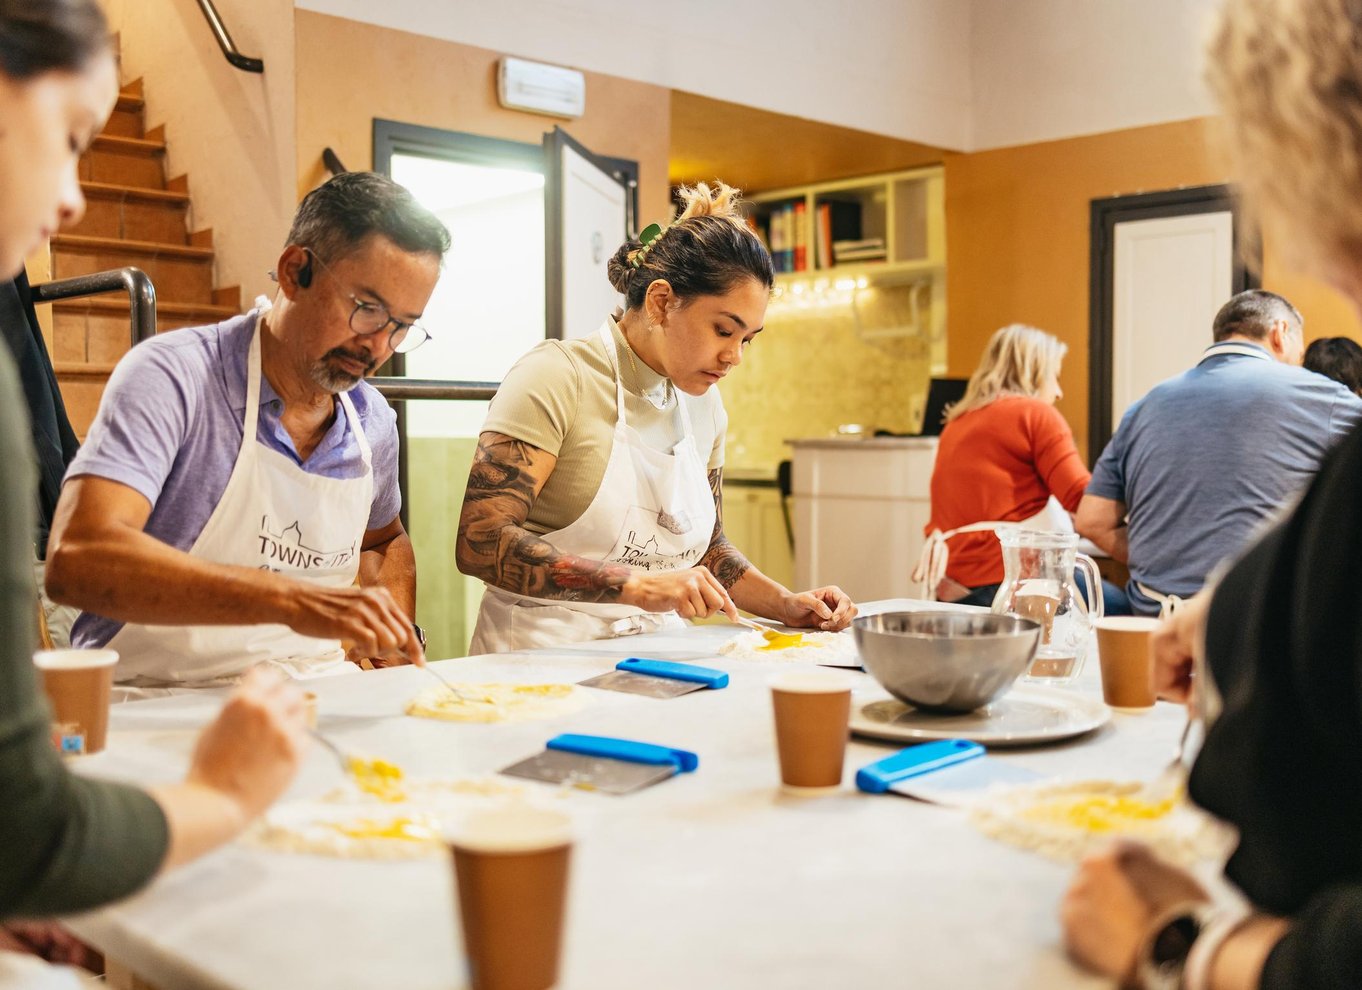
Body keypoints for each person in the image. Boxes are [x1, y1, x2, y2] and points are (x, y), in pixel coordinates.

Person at [0, 0, 304, 979]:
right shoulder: (171, 374)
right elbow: (30, 830)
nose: (78, 197)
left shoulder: (373, 424)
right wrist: (223, 792)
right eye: (72, 137)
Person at [1062, 1, 1362, 986]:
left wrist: (1194, 950)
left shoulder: (1150, 400)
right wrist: (1229, 604)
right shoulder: (1327, 398)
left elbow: (1092, 522)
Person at [44, 170, 448, 693]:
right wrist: (292, 600)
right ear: (294, 269)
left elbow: (384, 540)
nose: (379, 346)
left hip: (319, 696)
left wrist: (389, 635)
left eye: (403, 326)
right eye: (367, 309)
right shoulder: (174, 378)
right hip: (154, 700)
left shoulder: (371, 422)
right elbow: (80, 561)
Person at [456, 182, 855, 652]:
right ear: (661, 301)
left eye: (747, 338)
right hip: (538, 655)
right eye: (723, 329)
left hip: (657, 653)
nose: (734, 357)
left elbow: (707, 545)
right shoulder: (557, 376)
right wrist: (640, 588)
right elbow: (480, 540)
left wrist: (786, 603)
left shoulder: (703, 403)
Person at [1076, 289, 1361, 617]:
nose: (1299, 365)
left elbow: (1092, 520)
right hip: (1256, 634)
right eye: (1299, 355)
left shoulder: (1143, 406)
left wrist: (1160, 555)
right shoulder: (1322, 398)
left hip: (1154, 629)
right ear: (1280, 333)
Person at [914, 323, 1128, 614]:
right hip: (1011, 582)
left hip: (953, 587)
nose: (1059, 392)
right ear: (1034, 371)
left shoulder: (957, 422)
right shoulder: (1036, 415)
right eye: (1055, 376)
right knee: (1124, 609)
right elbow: (1086, 501)